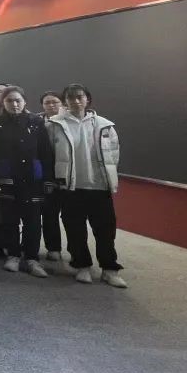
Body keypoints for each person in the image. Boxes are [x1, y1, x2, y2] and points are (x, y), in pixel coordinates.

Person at [47, 84, 126, 288]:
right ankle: (82, 266)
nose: (75, 101)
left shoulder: (104, 125)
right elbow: (49, 154)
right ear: (65, 101)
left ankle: (109, 269)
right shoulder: (55, 125)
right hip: (71, 188)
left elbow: (114, 154)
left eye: (79, 97)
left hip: (99, 187)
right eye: (70, 98)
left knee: (105, 231)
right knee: (75, 230)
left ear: (87, 99)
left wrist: (108, 177)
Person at [0, 86, 54, 278]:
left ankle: (31, 258)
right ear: (3, 103)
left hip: (32, 178)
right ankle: (13, 255)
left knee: (33, 221)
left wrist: (48, 178)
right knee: (10, 220)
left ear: (24, 102)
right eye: (9, 101)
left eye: (18, 100)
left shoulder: (36, 122)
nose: (14, 104)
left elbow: (45, 151)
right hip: (7, 177)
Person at [39, 90, 66, 261]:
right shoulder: (37, 122)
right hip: (43, 174)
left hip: (66, 174)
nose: (51, 105)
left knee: (69, 216)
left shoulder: (67, 122)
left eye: (54, 102)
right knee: (49, 213)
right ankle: (53, 248)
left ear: (62, 104)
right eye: (47, 102)